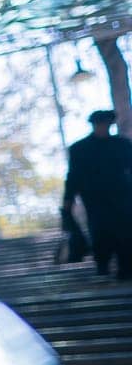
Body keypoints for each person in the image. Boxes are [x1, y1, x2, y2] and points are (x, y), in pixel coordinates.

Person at [64, 109, 132, 279]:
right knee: (100, 231)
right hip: (95, 199)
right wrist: (68, 200)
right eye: (100, 124)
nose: (103, 127)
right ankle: (102, 265)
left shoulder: (122, 145)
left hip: (122, 197)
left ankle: (125, 268)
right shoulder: (80, 149)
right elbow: (73, 176)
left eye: (106, 124)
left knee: (124, 233)